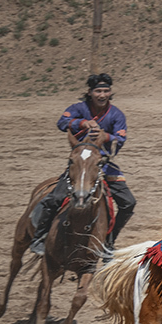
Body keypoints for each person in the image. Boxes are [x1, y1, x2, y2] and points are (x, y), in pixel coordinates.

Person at [31, 73, 134, 258]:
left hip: (102, 164)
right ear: (90, 92)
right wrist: (82, 123)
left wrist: (106, 137)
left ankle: (109, 241)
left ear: (110, 92)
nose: (102, 95)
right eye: (98, 91)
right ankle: (39, 237)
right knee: (55, 198)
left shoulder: (117, 114)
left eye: (106, 91)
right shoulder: (78, 108)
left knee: (128, 203)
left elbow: (121, 138)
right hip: (79, 163)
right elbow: (62, 122)